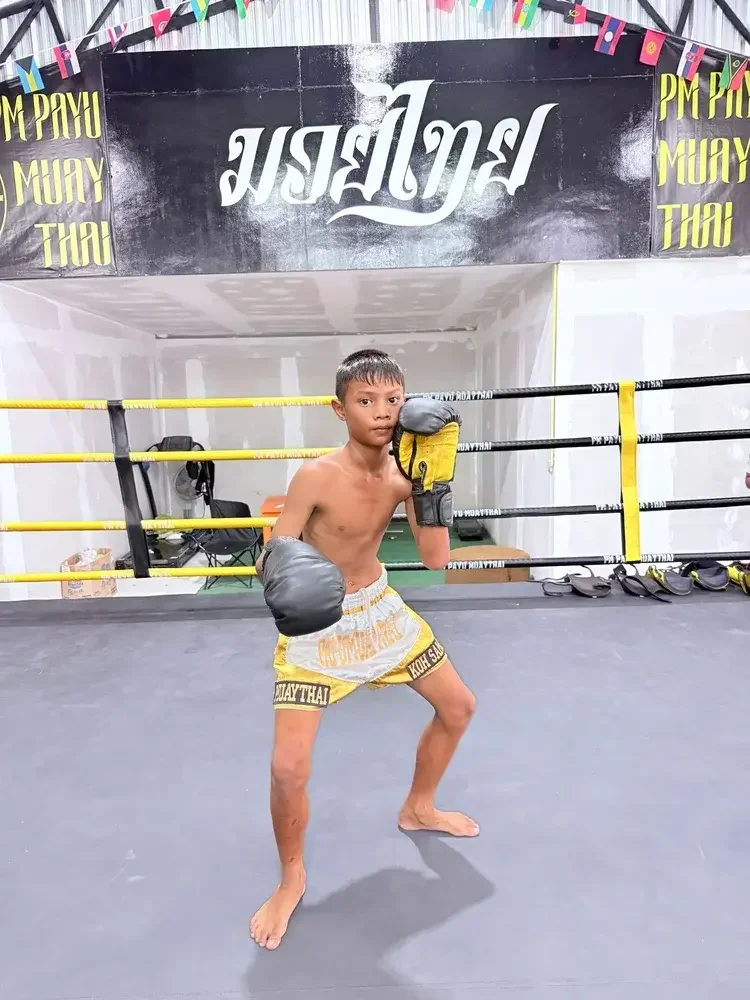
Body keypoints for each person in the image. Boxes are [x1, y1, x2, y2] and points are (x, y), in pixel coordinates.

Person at [250, 348, 478, 951]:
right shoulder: (316, 476)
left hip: (381, 614)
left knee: (458, 707)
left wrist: (433, 489)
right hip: (319, 627)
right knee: (286, 768)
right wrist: (287, 578)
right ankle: (292, 876)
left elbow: (435, 561)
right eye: (366, 401)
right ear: (340, 408)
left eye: (392, 400)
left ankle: (420, 808)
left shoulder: (408, 469)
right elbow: (272, 551)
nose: (382, 413)